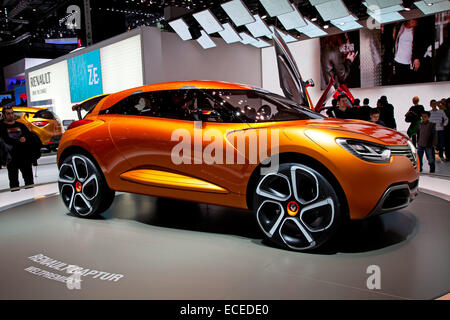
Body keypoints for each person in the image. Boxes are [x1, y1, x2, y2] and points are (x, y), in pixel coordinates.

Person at [0, 106, 36, 190]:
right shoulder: (1, 127)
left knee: (29, 181)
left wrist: (25, 139)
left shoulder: (21, 125)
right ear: (4, 115)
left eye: (12, 113)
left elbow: (30, 137)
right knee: (14, 183)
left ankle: (31, 199)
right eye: (8, 113)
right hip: (11, 158)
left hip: (24, 157)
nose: (11, 115)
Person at [392, 19, 428, 84]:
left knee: (409, 82)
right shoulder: (400, 27)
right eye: (413, 19)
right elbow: (394, 40)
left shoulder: (417, 31)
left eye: (416, 20)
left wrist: (417, 58)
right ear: (408, 20)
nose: (415, 21)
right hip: (398, 60)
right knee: (398, 82)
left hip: (409, 62)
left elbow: (420, 45)